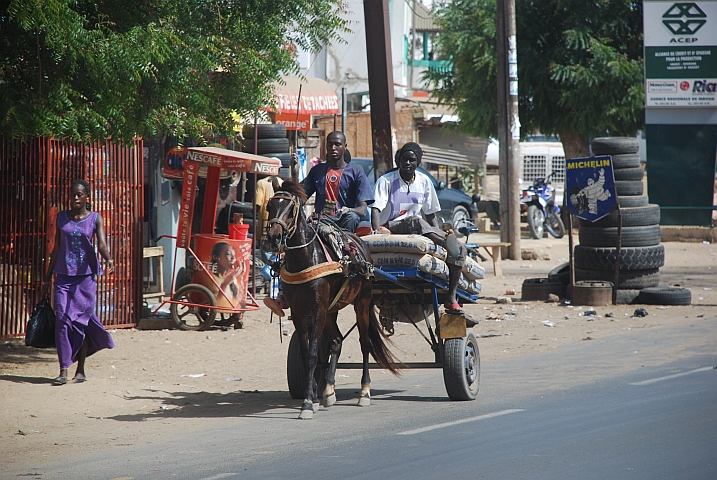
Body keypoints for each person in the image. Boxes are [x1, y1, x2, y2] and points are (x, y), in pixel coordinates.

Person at [262, 131, 373, 317]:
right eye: (330, 144)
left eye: (337, 144)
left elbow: (362, 209)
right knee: (298, 239)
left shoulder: (357, 173)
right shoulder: (317, 171)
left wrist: (349, 210)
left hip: (345, 224)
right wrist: (294, 171)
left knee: (352, 219)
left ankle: (345, 260)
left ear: (345, 146)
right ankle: (284, 293)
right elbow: (297, 199)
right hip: (321, 221)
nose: (333, 148)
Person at [370, 142, 473, 318]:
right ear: (399, 160)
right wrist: (376, 230)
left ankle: (451, 297)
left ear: (418, 162)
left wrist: (439, 232)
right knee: (415, 220)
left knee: (460, 249)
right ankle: (444, 242)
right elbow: (376, 209)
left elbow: (431, 214)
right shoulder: (386, 181)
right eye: (404, 159)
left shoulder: (425, 182)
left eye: (412, 160)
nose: (407, 163)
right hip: (392, 227)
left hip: (418, 230)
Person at [43, 180, 115, 385]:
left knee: (81, 322)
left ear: (87, 197)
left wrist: (108, 259)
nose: (75, 198)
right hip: (63, 277)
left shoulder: (95, 219)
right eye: (73, 194)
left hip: (85, 278)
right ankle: (63, 369)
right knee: (62, 320)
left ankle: (80, 369)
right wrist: (48, 276)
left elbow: (101, 244)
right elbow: (56, 247)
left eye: (79, 195)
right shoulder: (61, 217)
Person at [208, 241, 246, 309]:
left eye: (234, 255)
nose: (233, 258)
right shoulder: (211, 278)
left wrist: (241, 277)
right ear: (216, 257)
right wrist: (224, 285)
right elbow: (218, 303)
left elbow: (239, 301)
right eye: (228, 254)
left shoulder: (232, 277)